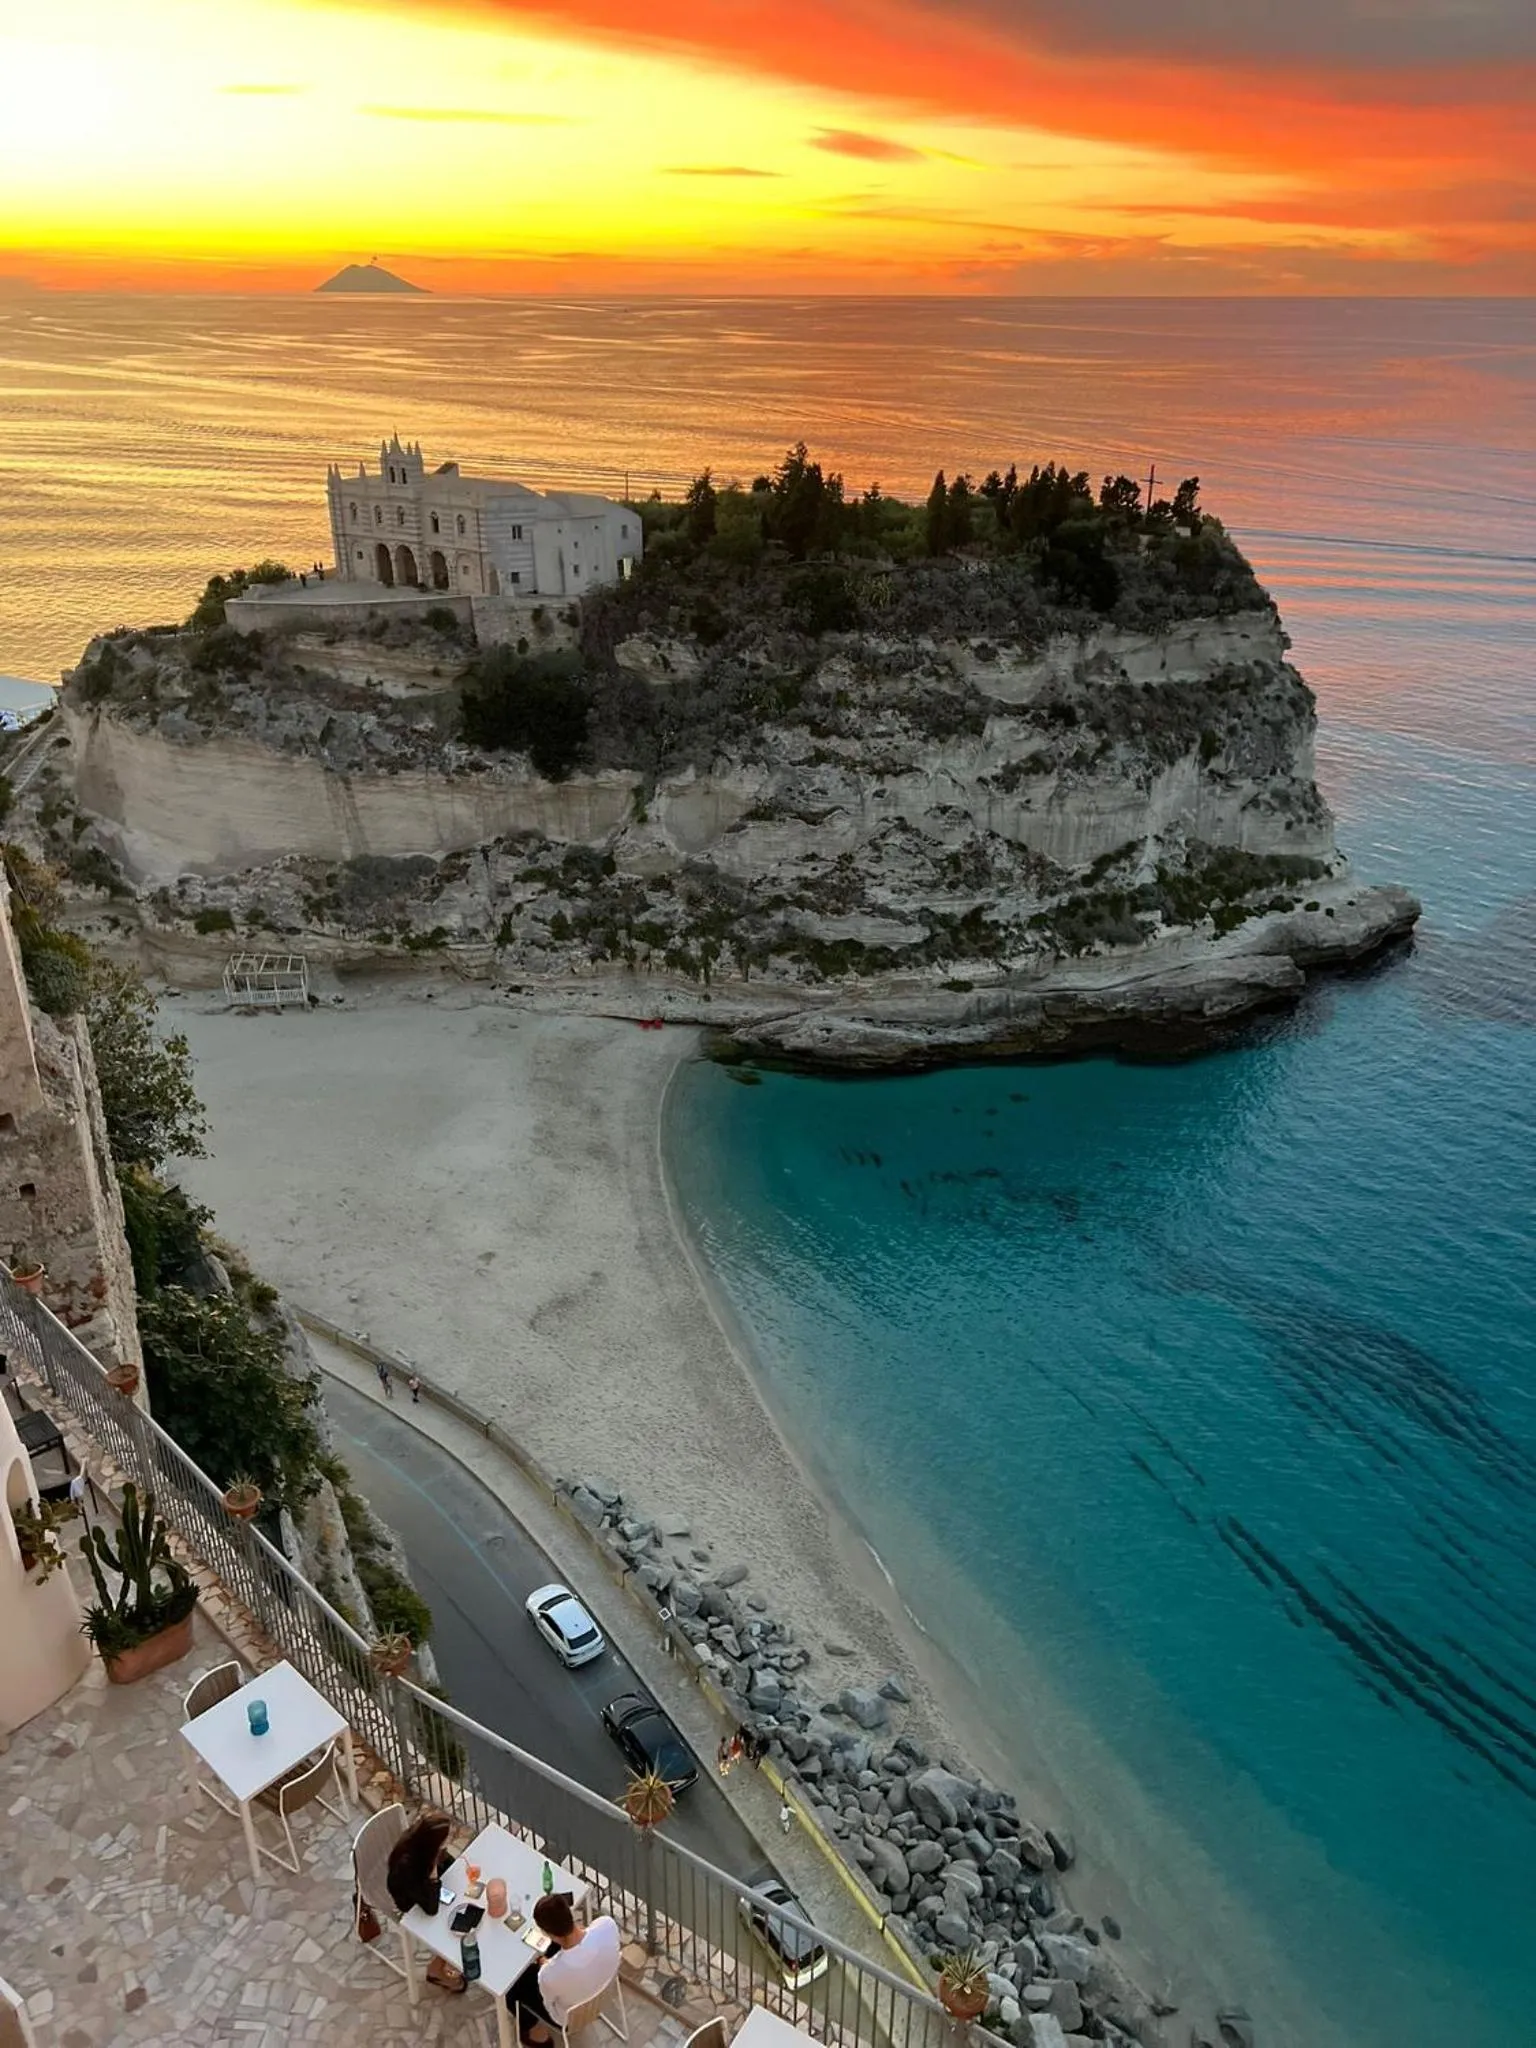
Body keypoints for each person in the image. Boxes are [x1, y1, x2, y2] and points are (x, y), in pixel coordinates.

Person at [511, 1892, 621, 2043]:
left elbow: (549, 2004)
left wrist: (545, 1964)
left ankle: (534, 2032)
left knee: (514, 1987)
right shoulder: (607, 1925)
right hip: (606, 1992)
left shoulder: (548, 1975)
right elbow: (584, 1936)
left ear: (550, 1934)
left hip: (570, 2020)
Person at [385, 1810, 453, 1916]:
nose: (450, 1839)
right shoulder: (407, 1866)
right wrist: (434, 1878)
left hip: (421, 1880)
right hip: (410, 1900)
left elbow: (449, 1863)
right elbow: (431, 1909)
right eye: (447, 1838)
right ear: (435, 1843)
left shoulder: (425, 1845)